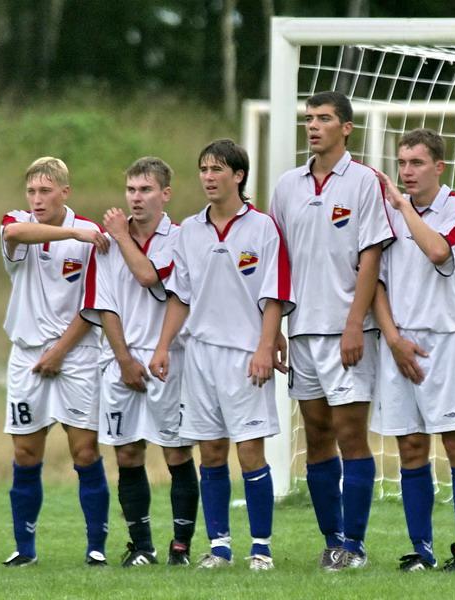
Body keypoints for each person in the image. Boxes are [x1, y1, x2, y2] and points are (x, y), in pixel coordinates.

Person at [149, 139, 293, 570]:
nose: (209, 177)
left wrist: (265, 347)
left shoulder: (263, 228)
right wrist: (161, 346)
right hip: (200, 356)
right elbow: (180, 296)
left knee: (250, 451)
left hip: (246, 355)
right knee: (210, 452)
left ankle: (261, 547)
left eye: (217, 169)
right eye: (203, 169)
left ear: (238, 176)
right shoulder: (190, 230)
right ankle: (220, 547)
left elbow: (273, 295)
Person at [270, 90, 394, 570]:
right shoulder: (287, 186)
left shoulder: (365, 182)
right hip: (301, 330)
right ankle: (333, 540)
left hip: (347, 330)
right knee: (317, 435)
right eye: (309, 118)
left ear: (346, 127)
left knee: (350, 434)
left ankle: (356, 547)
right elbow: (277, 262)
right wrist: (276, 325)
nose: (314, 126)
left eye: (324, 118)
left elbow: (372, 256)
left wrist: (353, 324)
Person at [372, 129, 455, 573]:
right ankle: (422, 549)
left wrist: (402, 205)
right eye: (401, 163)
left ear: (439, 166)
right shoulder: (384, 215)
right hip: (398, 341)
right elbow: (374, 281)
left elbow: (438, 250)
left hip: (444, 340)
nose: (407, 172)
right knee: (411, 446)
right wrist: (393, 339)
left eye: (416, 163)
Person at [80, 157, 199, 567]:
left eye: (145, 190)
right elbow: (104, 306)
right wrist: (124, 358)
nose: (136, 198)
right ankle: (142, 547)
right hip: (121, 361)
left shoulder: (181, 238)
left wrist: (119, 235)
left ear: (165, 194)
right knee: (127, 453)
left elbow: (150, 277)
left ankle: (180, 547)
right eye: (131, 190)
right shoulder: (106, 244)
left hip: (169, 359)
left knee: (176, 453)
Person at [0, 157, 111, 567]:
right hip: (27, 354)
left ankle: (96, 547)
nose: (36, 199)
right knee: (26, 454)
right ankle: (24, 550)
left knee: (84, 451)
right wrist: (71, 231)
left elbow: (95, 303)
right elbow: (14, 232)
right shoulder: (19, 221)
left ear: (65, 191)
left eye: (46, 191)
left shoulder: (93, 235)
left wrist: (60, 352)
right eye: (32, 191)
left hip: (76, 355)